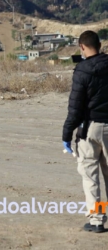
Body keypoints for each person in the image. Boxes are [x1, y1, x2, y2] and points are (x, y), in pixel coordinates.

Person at [62, 30, 108, 233]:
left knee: (91, 178)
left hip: (90, 129)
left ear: (82, 47)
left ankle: (97, 219)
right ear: (100, 45)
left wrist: (66, 135)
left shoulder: (82, 70)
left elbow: (75, 108)